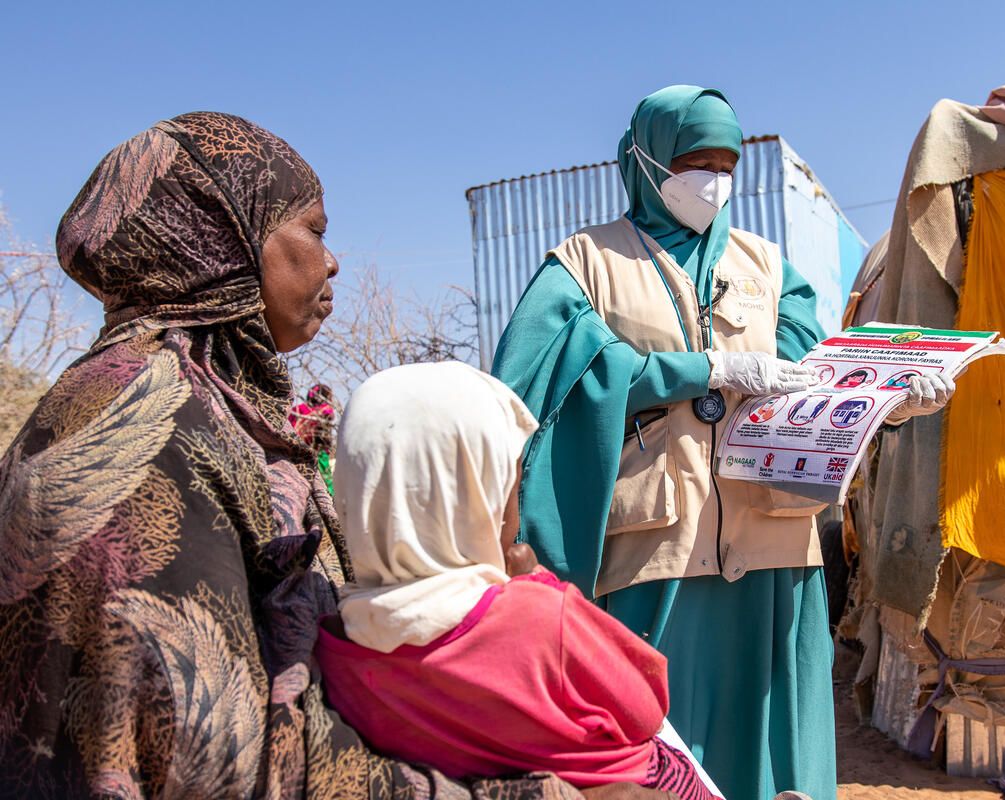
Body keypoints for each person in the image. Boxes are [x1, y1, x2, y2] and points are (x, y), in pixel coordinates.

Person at [0, 112, 583, 800]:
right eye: (315, 229)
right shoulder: (152, 439)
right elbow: (215, 767)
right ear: (224, 236)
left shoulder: (196, 402)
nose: (332, 260)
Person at [492, 86, 953, 800]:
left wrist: (886, 405)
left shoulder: (768, 269)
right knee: (661, 751)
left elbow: (814, 384)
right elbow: (544, 383)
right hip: (654, 548)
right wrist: (699, 370)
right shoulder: (584, 264)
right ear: (643, 160)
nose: (713, 180)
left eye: (726, 163)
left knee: (771, 757)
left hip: (771, 548)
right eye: (693, 161)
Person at [315, 362, 719, 800]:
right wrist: (541, 585)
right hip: (649, 784)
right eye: (508, 484)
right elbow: (647, 704)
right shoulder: (538, 617)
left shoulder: (339, 647)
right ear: (476, 497)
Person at [291, 382, 337, 493]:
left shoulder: (298, 409)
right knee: (326, 481)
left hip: (302, 450)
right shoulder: (325, 409)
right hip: (316, 450)